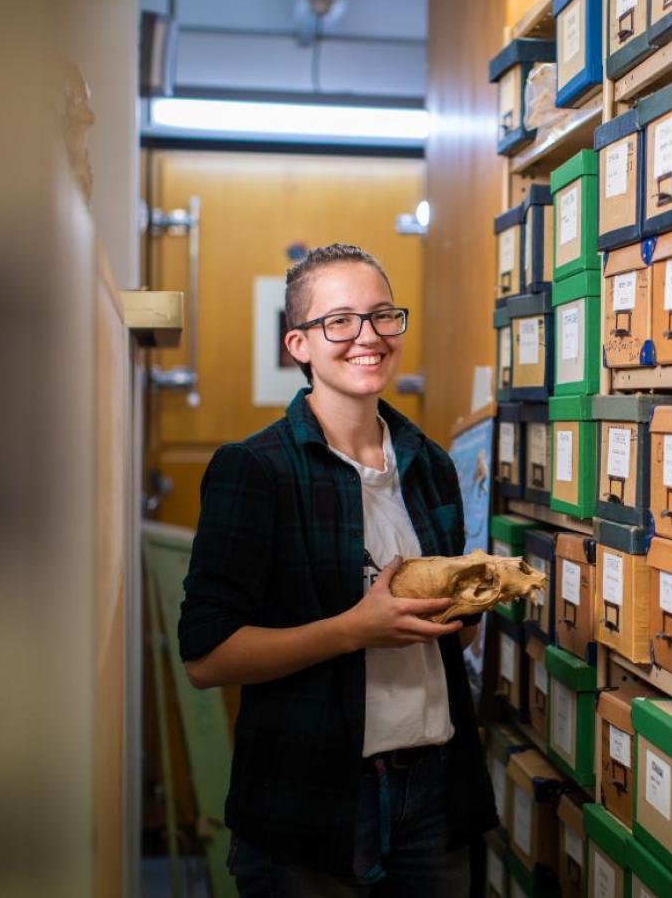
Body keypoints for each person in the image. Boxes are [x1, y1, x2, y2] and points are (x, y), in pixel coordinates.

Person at [178, 243, 498, 896]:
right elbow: (206, 657)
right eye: (341, 321)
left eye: (383, 316)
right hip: (312, 802)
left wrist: (469, 604)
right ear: (299, 343)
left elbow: (448, 644)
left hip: (435, 795)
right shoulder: (256, 470)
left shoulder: (431, 463)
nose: (369, 337)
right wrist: (354, 629)